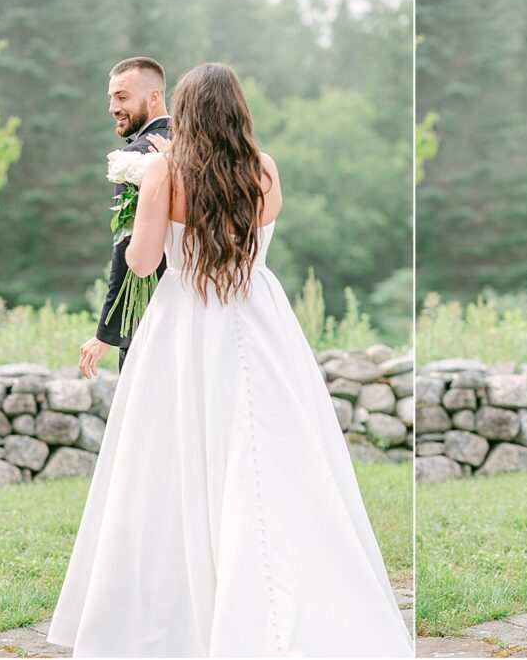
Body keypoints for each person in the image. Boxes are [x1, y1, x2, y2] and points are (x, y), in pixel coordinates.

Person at [48, 63, 413, 657]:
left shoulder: (165, 168)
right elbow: (254, 240)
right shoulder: (265, 168)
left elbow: (141, 262)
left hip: (184, 321)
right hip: (257, 315)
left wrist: (153, 188)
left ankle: (181, 610)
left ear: (184, 110)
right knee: (269, 454)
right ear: (239, 109)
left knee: (174, 459)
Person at [79, 57, 172, 375]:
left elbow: (127, 246)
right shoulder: (198, 147)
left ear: (153, 97)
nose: (112, 108)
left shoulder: (137, 157)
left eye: (122, 97)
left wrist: (107, 332)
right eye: (111, 98)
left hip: (146, 316)